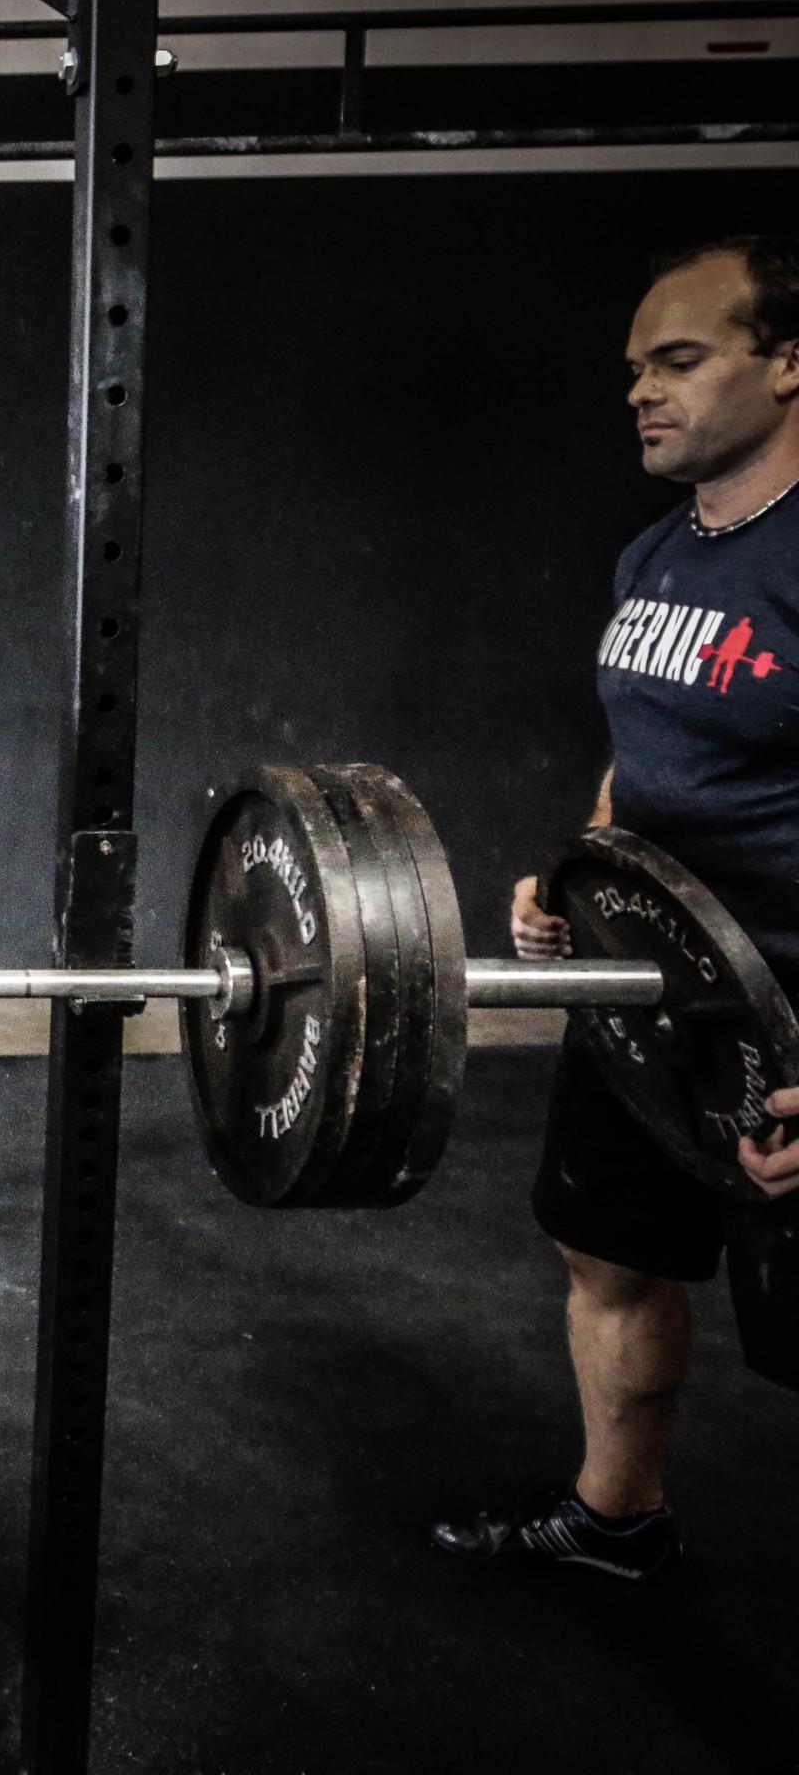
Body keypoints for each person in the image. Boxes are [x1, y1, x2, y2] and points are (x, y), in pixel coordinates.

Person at [437, 235, 799, 1580]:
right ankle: (615, 1521)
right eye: (636, 367)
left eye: (680, 359)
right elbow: (640, 753)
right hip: (654, 998)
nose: (642, 390)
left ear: (788, 360)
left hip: (790, 1018)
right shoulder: (657, 553)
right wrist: (581, 875)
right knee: (605, 1255)